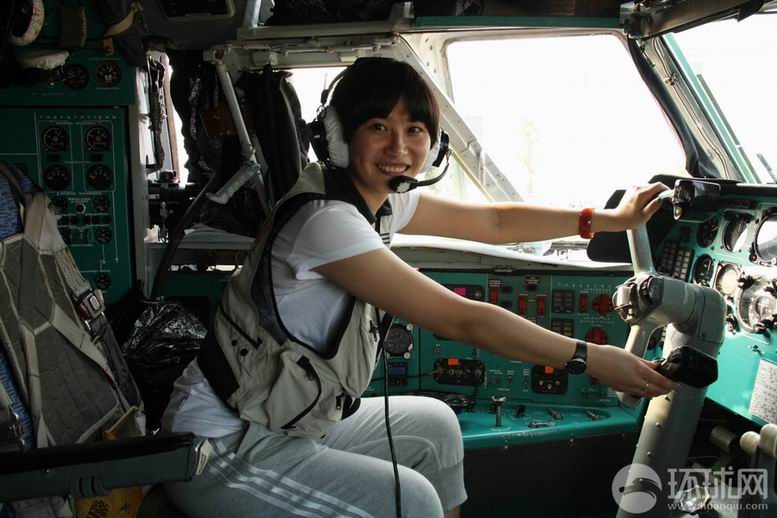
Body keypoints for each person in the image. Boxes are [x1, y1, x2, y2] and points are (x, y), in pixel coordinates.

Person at [162, 57, 678, 518]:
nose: (399, 148)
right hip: (221, 445)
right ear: (339, 136)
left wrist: (604, 219)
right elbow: (464, 320)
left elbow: (494, 223)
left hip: (286, 419)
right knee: (410, 501)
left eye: (414, 130)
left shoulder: (381, 199)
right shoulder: (325, 220)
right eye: (378, 127)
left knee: (434, 426)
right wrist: (591, 358)